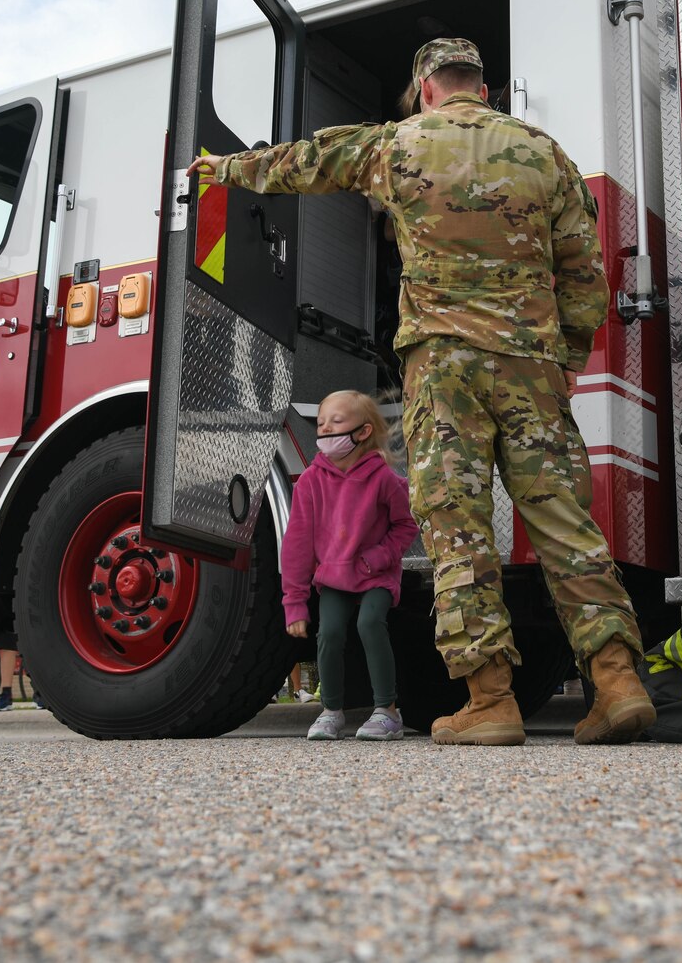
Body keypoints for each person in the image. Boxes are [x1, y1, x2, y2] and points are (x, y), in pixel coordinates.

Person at [193, 38, 655, 746]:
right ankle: (618, 681)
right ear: (485, 89)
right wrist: (566, 355)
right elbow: (585, 268)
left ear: (427, 87)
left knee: (457, 528)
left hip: (443, 370)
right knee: (565, 520)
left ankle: (490, 698)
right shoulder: (544, 153)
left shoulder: (397, 143)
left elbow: (308, 161)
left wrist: (227, 168)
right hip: (529, 364)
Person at [282, 389, 417, 741]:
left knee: (370, 623)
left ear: (363, 432)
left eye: (336, 422)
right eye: (322, 422)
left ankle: (387, 711)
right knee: (329, 634)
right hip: (335, 575)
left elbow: (406, 525)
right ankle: (331, 711)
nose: (325, 429)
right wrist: (294, 602)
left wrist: (379, 558)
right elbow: (296, 545)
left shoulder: (385, 478)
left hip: (376, 574)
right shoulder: (310, 482)